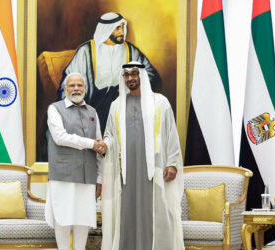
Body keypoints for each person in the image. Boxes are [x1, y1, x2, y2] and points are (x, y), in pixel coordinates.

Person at [100, 62, 184, 250]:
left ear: (143, 76)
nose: (130, 78)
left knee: (156, 212)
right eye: (127, 75)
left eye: (135, 74)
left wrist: (172, 163)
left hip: (154, 170)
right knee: (127, 213)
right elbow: (110, 135)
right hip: (126, 172)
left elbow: (171, 133)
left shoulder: (160, 102)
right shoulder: (116, 105)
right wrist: (105, 145)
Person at [58, 12, 161, 134]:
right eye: (117, 28)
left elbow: (151, 74)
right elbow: (68, 81)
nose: (122, 32)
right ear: (107, 29)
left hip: (122, 103)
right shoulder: (86, 51)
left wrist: (130, 87)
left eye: (123, 27)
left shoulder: (130, 50)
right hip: (93, 104)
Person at [45, 72, 106, 250]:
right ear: (65, 89)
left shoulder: (92, 112)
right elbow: (60, 137)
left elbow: (99, 146)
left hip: (87, 176)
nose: (76, 89)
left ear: (85, 89)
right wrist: (91, 144)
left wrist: (100, 178)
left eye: (80, 85)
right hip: (63, 175)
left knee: (83, 219)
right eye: (72, 85)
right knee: (62, 218)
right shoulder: (54, 108)